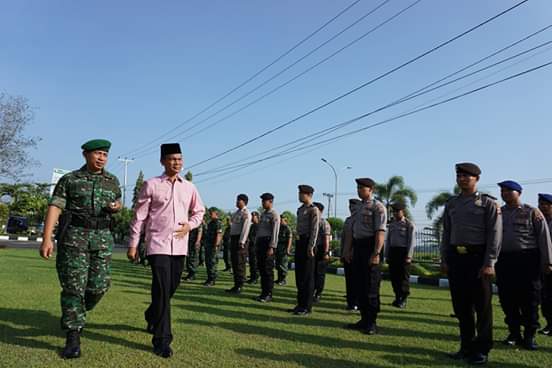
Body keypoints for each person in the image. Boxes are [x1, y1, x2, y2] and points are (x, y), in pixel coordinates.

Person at [40, 139, 122, 359]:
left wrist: (116, 207)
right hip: (74, 239)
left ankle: (76, 314)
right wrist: (47, 239)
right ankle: (73, 335)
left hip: (102, 240)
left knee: (99, 287)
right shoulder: (70, 180)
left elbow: (118, 202)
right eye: (97, 153)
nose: (101, 158)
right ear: (85, 154)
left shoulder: (112, 181)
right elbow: (55, 206)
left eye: (105, 154)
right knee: (74, 288)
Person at [127, 143, 205, 358]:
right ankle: (162, 339)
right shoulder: (151, 184)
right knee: (162, 288)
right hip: (157, 245)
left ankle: (152, 313)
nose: (176, 163)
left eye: (179, 159)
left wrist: (190, 225)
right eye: (172, 159)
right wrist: (133, 244)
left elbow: (199, 211)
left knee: (170, 288)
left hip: (180, 246)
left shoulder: (189, 187)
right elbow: (139, 217)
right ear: (163, 161)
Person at [441, 163, 502, 365]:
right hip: (457, 259)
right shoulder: (452, 204)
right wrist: (445, 258)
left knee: (482, 306)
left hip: (479, 259)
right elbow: (447, 233)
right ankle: (466, 346)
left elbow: (495, 234)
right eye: (459, 176)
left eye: (467, 176)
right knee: (462, 306)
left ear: (476, 179)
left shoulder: (488, 203)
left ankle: (482, 350)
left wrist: (490, 262)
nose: (462, 179)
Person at [495, 181, 552, 350]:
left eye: (508, 190)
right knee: (507, 299)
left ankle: (529, 336)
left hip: (527, 260)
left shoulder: (532, 212)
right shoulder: (498, 213)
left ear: (518, 193)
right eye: (502, 191)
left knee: (530, 300)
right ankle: (514, 333)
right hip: (505, 260)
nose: (504, 193)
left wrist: (548, 261)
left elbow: (544, 238)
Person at [343, 178, 386, 335]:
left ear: (371, 189)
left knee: (371, 286)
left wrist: (376, 253)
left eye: (363, 188)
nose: (359, 190)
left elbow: (380, 232)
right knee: (359, 284)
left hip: (370, 246)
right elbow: (350, 231)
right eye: (358, 187)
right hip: (358, 247)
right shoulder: (358, 207)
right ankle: (363, 319)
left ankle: (371, 322)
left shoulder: (378, 207)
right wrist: (347, 250)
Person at [288, 185, 320, 316]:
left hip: (308, 243)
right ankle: (300, 304)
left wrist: (311, 246)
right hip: (300, 242)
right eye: (299, 193)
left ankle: (307, 306)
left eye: (302, 194)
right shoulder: (300, 209)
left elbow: (315, 230)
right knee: (299, 275)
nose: (299, 196)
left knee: (307, 276)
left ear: (309, 195)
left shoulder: (314, 210)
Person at [385, 201, 416, 309]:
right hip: (393, 252)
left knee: (403, 277)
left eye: (397, 211)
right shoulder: (392, 224)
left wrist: (409, 256)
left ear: (403, 211)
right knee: (394, 277)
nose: (395, 213)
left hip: (403, 253)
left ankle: (403, 299)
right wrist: (387, 254)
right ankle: (397, 297)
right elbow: (388, 240)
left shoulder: (408, 224)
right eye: (394, 212)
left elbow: (411, 241)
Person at [254, 193, 280, 302]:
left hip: (268, 243)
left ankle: (268, 293)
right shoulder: (263, 214)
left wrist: (272, 246)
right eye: (262, 201)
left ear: (270, 202)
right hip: (261, 242)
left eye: (265, 201)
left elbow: (275, 232)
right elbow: (260, 230)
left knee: (267, 269)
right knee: (262, 269)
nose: (263, 203)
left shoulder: (274, 215)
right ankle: (263, 292)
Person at [226, 194, 252, 294]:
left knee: (240, 263)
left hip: (240, 240)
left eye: (238, 200)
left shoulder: (246, 213)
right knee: (234, 263)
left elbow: (245, 229)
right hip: (234, 238)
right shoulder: (236, 213)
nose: (236, 202)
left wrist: (242, 241)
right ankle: (236, 285)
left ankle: (240, 285)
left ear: (244, 202)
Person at [342, 198, 361, 311]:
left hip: (356, 254)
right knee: (349, 280)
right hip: (347, 254)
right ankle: (350, 302)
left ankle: (357, 302)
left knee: (357, 280)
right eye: (350, 207)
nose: (351, 209)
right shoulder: (348, 220)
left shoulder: (360, 220)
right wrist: (343, 253)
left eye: (354, 207)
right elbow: (344, 238)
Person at [538, 193, 552, 336]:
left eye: (546, 204)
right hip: (542, 265)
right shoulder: (538, 220)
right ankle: (549, 323)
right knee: (545, 296)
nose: (543, 207)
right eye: (541, 204)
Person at [313, 202, 332, 303]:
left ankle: (318, 293)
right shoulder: (312, 222)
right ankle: (311, 291)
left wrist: (325, 252)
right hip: (312, 249)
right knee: (312, 272)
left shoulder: (323, 223)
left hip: (320, 249)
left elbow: (326, 239)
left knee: (319, 273)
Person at [204, 207, 223, 287]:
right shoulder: (210, 223)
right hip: (208, 245)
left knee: (212, 263)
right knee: (208, 263)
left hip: (213, 245)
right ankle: (209, 279)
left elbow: (219, 234)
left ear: (216, 213)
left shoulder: (218, 223)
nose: (210, 215)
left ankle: (212, 280)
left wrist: (216, 245)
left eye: (211, 213)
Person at [183, 217, 203, 281]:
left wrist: (197, 241)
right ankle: (189, 274)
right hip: (190, 242)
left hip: (194, 243)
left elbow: (200, 232)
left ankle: (192, 275)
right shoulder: (191, 222)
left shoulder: (198, 222)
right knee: (189, 258)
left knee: (193, 258)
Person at [276, 215, 293, 286]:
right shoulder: (278, 228)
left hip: (284, 248)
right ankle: (279, 279)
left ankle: (283, 280)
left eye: (281, 220)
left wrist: (288, 249)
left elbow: (290, 239)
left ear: (285, 220)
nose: (280, 221)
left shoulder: (287, 228)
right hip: (278, 247)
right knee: (278, 264)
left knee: (283, 264)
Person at [247, 212, 260, 284]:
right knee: (251, 263)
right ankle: (252, 277)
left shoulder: (259, 226)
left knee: (255, 263)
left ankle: (255, 278)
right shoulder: (252, 226)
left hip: (256, 247)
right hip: (251, 246)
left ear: (257, 217)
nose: (251, 218)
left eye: (253, 217)